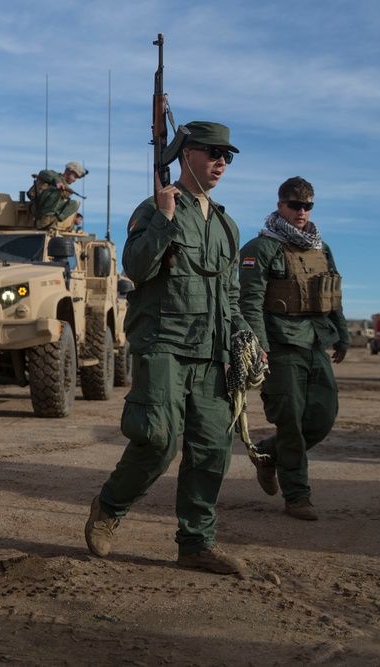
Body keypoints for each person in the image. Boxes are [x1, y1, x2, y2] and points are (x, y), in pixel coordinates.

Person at [84, 121, 252, 575]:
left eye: (227, 156)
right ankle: (109, 508)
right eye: (212, 152)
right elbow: (136, 268)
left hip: (212, 351)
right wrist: (163, 216)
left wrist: (245, 336)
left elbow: (230, 294)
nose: (221, 162)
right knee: (158, 439)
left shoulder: (226, 224)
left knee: (212, 449)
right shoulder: (153, 209)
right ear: (185, 155)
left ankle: (196, 544)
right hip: (163, 345)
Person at [237, 177, 349, 521]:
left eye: (307, 205)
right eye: (294, 205)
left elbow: (333, 294)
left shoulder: (320, 247)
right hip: (281, 346)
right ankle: (297, 496)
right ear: (280, 205)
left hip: (316, 340)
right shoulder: (261, 248)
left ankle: (268, 454)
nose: (302, 212)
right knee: (291, 423)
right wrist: (260, 347)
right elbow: (249, 301)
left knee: (323, 417)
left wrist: (342, 335)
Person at [28, 161, 87, 230]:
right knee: (56, 191)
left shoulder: (66, 189)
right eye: (75, 176)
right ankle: (45, 220)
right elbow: (42, 173)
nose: (75, 180)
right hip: (38, 206)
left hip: (51, 211)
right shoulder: (54, 175)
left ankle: (53, 220)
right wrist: (57, 181)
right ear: (68, 172)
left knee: (73, 204)